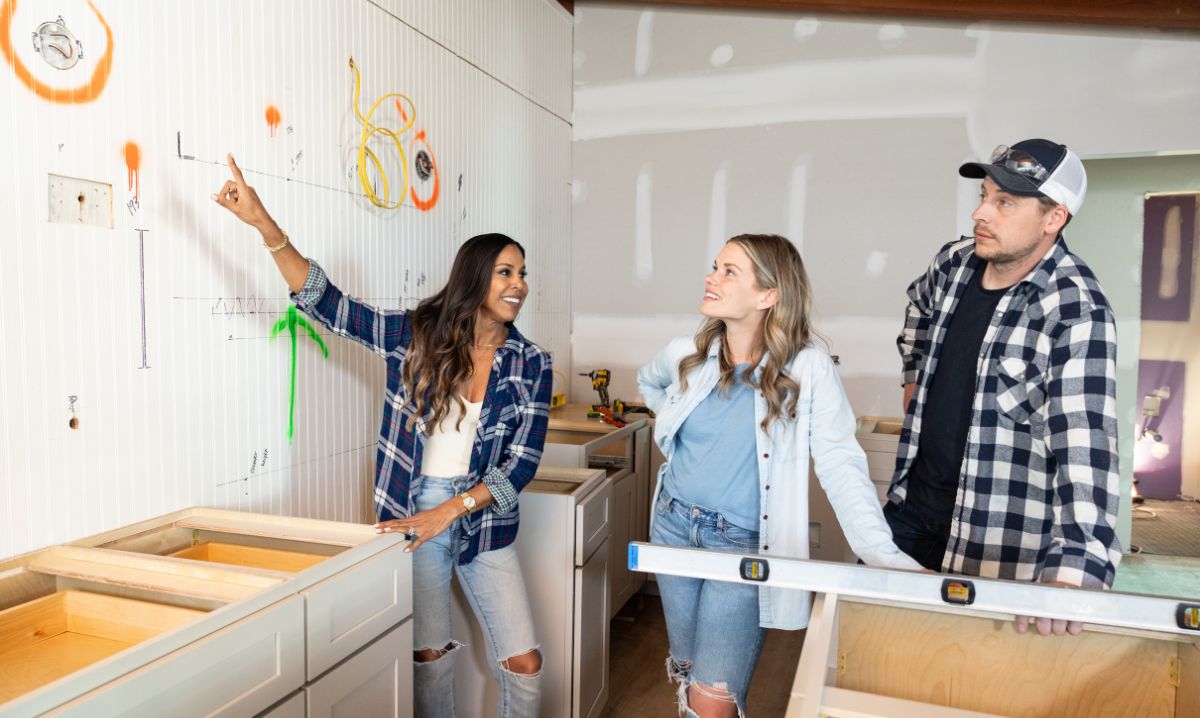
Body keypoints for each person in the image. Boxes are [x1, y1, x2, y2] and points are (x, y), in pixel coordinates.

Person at [214, 154, 550, 716]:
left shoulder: (531, 361)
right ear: (475, 278)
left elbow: (522, 464)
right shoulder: (417, 335)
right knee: (430, 656)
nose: (519, 285)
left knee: (525, 664)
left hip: (484, 517)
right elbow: (332, 307)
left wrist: (452, 511)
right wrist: (266, 227)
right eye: (506, 272)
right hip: (411, 512)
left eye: (522, 273)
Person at [637, 234, 921, 718]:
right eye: (715, 266)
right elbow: (649, 382)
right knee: (687, 668)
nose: (712, 277)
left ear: (769, 295)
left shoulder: (807, 369)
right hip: (672, 528)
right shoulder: (687, 352)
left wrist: (884, 556)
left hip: (743, 545)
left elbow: (840, 463)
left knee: (713, 699)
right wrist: (673, 423)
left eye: (730, 271)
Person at [890, 138, 1120, 636]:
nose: (981, 214)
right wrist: (914, 377)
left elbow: (1085, 444)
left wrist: (1077, 566)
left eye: (1004, 202)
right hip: (911, 511)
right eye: (983, 195)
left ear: (1053, 218)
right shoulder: (954, 264)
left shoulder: (1075, 309)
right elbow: (918, 308)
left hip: (995, 540)